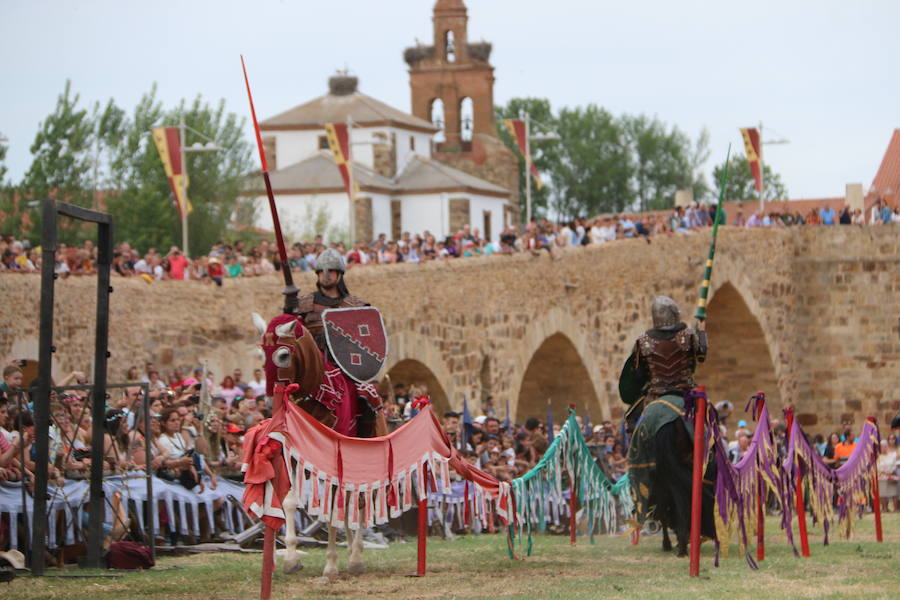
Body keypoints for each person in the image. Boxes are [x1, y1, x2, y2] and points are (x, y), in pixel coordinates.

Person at [295, 248, 386, 437]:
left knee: (368, 396)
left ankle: (368, 440)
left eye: (331, 271)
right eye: (321, 272)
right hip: (314, 369)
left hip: (345, 371)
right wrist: (288, 312)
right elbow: (292, 335)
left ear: (340, 274)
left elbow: (368, 340)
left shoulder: (356, 306)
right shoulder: (304, 304)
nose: (326, 276)